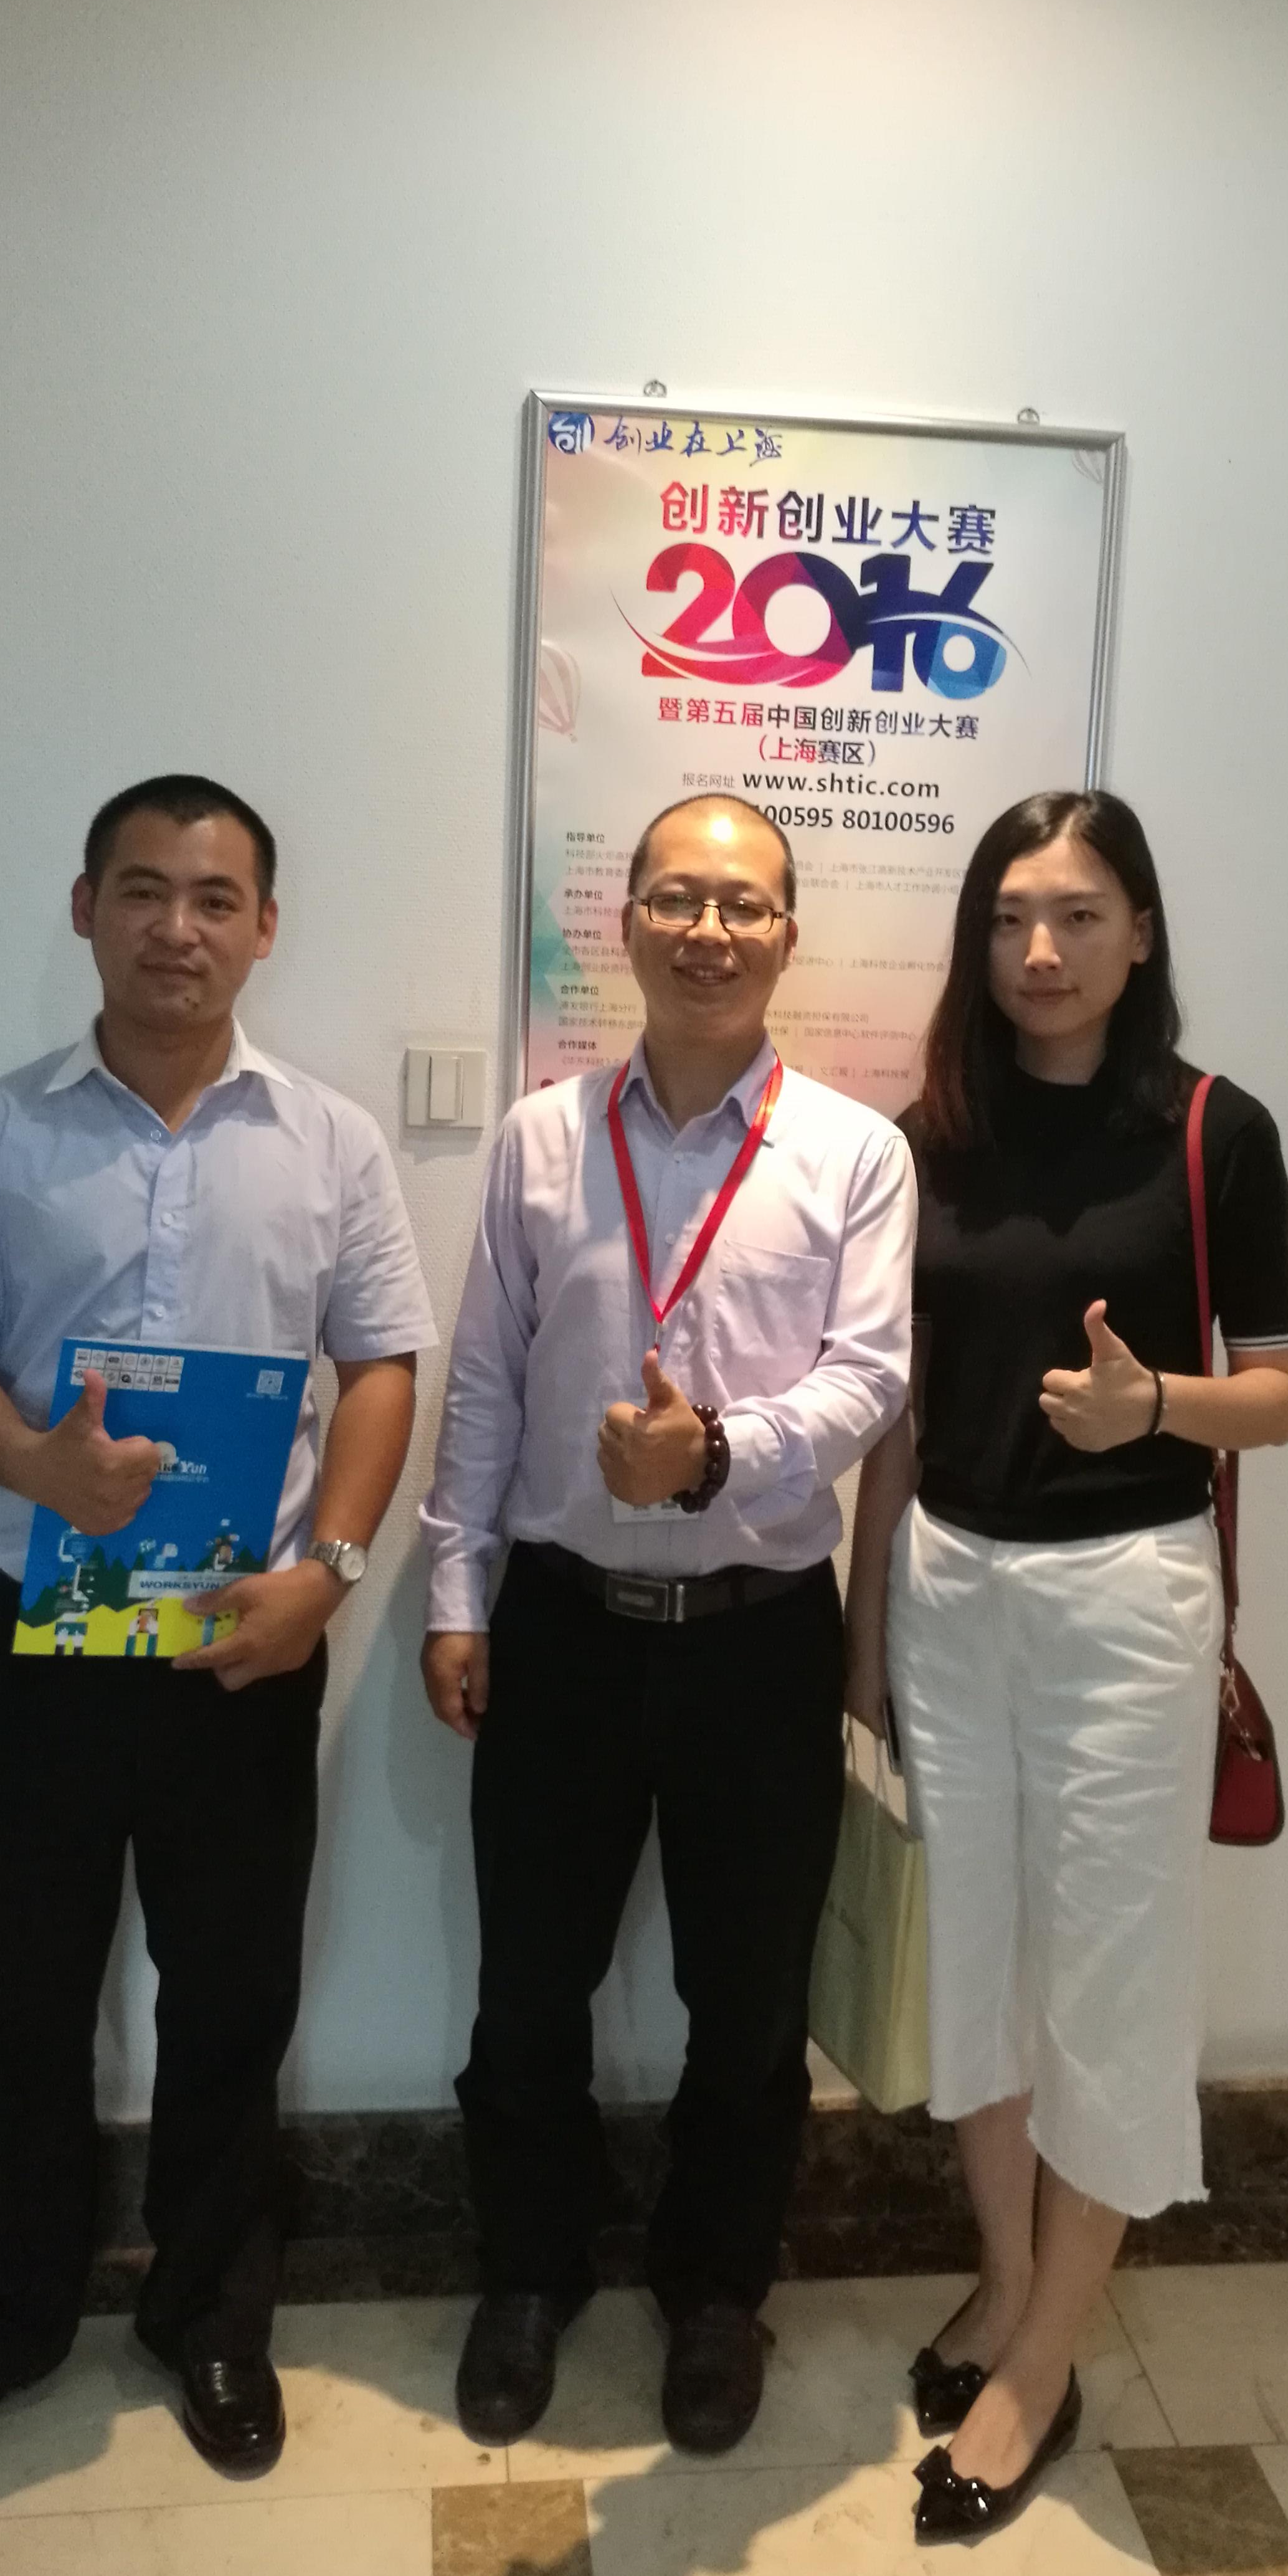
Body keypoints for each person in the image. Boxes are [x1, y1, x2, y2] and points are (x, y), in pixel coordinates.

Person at [0, 774, 437, 2496]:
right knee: (20, 2001)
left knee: (233, 2004)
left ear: (264, 929)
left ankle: (213, 2320)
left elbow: (382, 1367)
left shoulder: (330, 1142)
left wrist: (331, 1572)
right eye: (142, 891)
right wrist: (33, 1461)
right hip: (33, 1642)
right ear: (85, 909)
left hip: (240, 1647)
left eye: (213, 898)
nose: (177, 928)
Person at [420, 793, 916, 2456]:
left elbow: (870, 1381)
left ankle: (717, 2291)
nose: (711, 931)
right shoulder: (540, 1140)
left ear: (789, 936)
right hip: (562, 1625)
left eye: (745, 905)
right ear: (625, 918)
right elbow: (485, 1383)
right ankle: (530, 2273)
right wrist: (455, 1595)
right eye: (680, 899)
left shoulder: (856, 1154)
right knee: (528, 1984)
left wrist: (716, 1454)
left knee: (750, 2002)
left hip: (760, 1639)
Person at [844, 787, 1288, 2545]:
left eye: (1079, 916)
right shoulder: (929, 1140)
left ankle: (1044, 2360)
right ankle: (1006, 2275)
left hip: (1127, 1598)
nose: (1040, 951)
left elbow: (1282, 1393)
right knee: (969, 1960)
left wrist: (1156, 1404)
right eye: (1009, 918)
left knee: (1106, 1977)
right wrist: (864, 1632)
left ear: (1141, 933)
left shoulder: (1214, 1133)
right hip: (951, 1583)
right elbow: (895, 1413)